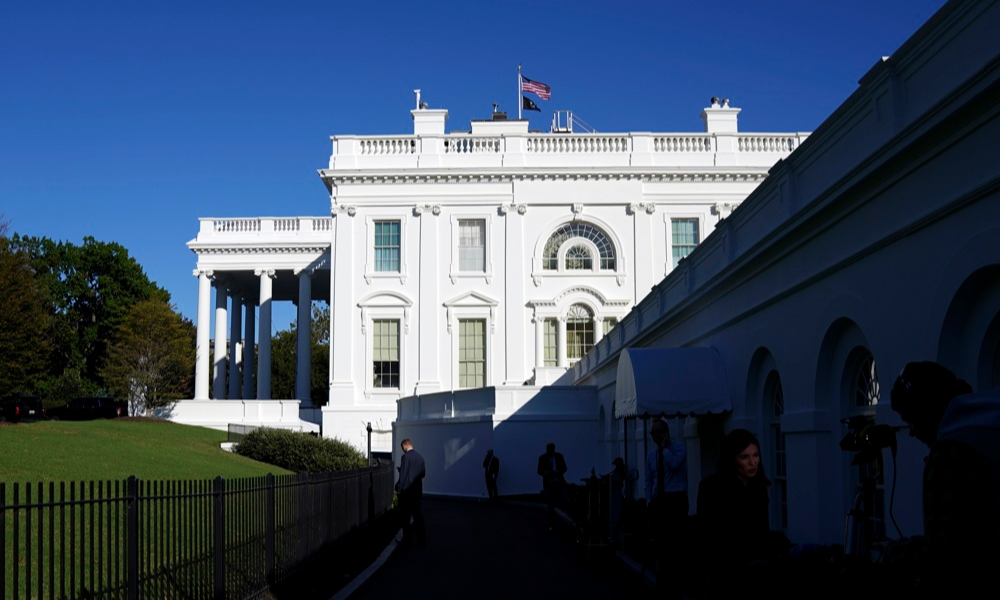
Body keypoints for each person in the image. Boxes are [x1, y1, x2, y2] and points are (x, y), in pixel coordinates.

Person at [885, 361, 1000, 598]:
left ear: (925, 409)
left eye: (909, 419)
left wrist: (893, 552)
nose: (912, 432)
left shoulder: (950, 451)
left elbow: (943, 554)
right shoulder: (986, 431)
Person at [696, 429, 771, 596]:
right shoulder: (712, 487)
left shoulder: (760, 487)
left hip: (757, 573)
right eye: (744, 457)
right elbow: (705, 534)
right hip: (725, 575)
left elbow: (764, 530)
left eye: (756, 455)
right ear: (732, 459)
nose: (753, 463)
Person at [644, 419, 688, 598]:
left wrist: (664, 449)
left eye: (658, 432)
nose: (655, 436)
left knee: (675, 547)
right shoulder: (651, 455)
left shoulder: (678, 448)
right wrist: (648, 501)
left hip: (675, 500)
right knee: (660, 546)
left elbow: (675, 464)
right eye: (653, 433)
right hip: (659, 500)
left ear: (666, 432)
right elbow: (649, 480)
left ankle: (675, 587)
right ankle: (661, 585)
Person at [397, 438, 426, 546]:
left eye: (402, 448)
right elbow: (423, 474)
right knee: (418, 517)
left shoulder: (405, 457)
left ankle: (407, 539)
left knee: (405, 517)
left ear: (405, 446)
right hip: (417, 492)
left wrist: (399, 489)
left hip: (407, 493)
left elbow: (403, 475)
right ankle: (421, 540)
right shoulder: (420, 457)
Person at [536, 442, 567, 528]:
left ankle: (564, 520)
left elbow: (564, 468)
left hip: (559, 483)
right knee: (550, 505)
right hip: (549, 484)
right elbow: (539, 471)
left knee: (564, 501)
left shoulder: (559, 457)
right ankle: (552, 523)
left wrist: (558, 471)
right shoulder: (542, 458)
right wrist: (545, 473)